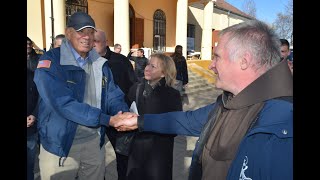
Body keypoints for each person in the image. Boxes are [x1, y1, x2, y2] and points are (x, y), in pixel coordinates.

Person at [114, 20, 293, 180]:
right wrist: (139, 121)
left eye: (217, 56)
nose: (211, 65)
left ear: (243, 62)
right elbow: (188, 120)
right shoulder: (230, 101)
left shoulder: (282, 124)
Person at [33, 12, 134, 180]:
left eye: (90, 32)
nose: (87, 37)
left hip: (94, 144)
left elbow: (112, 94)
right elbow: (63, 104)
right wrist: (107, 120)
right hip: (60, 147)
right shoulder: (50, 62)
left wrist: (121, 113)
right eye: (81, 31)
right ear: (68, 33)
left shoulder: (100, 63)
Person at [126, 53, 182, 180]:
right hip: (136, 150)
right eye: (147, 64)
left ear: (163, 73)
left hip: (159, 154)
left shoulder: (172, 95)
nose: (147, 68)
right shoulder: (136, 88)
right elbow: (127, 109)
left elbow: (175, 127)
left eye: (153, 66)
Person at [94, 29, 136, 180]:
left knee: (123, 157)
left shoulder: (121, 61)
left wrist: (125, 111)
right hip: (95, 119)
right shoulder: (85, 61)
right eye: (91, 41)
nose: (92, 44)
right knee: (95, 161)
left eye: (97, 41)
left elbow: (132, 85)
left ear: (106, 43)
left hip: (118, 116)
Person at [27, 36, 40, 180]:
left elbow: (39, 97)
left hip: (30, 127)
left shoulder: (32, 76)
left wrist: (34, 115)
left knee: (30, 165)